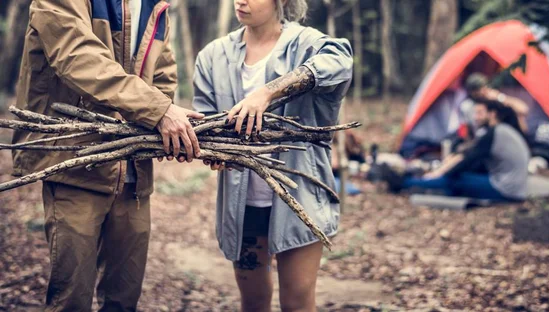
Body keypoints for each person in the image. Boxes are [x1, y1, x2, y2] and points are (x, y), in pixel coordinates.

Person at [11, 1, 204, 310]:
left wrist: (166, 128)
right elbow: (75, 56)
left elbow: (164, 71)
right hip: (77, 161)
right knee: (71, 298)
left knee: (124, 298)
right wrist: (158, 111)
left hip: (134, 172)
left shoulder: (157, 4)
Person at [192, 0, 353, 310]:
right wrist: (213, 152)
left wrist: (267, 92)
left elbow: (340, 62)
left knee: (296, 302)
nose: (241, 0)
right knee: (253, 301)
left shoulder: (307, 44)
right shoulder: (213, 56)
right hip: (242, 204)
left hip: (300, 198)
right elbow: (206, 122)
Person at [400, 99, 530, 202]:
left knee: (456, 180)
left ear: (492, 114)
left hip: (506, 190)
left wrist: (444, 174)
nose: (475, 118)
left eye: (480, 113)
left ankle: (406, 183)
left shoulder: (494, 133)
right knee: (460, 178)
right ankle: (425, 184)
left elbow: (470, 160)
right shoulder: (504, 131)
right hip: (516, 188)